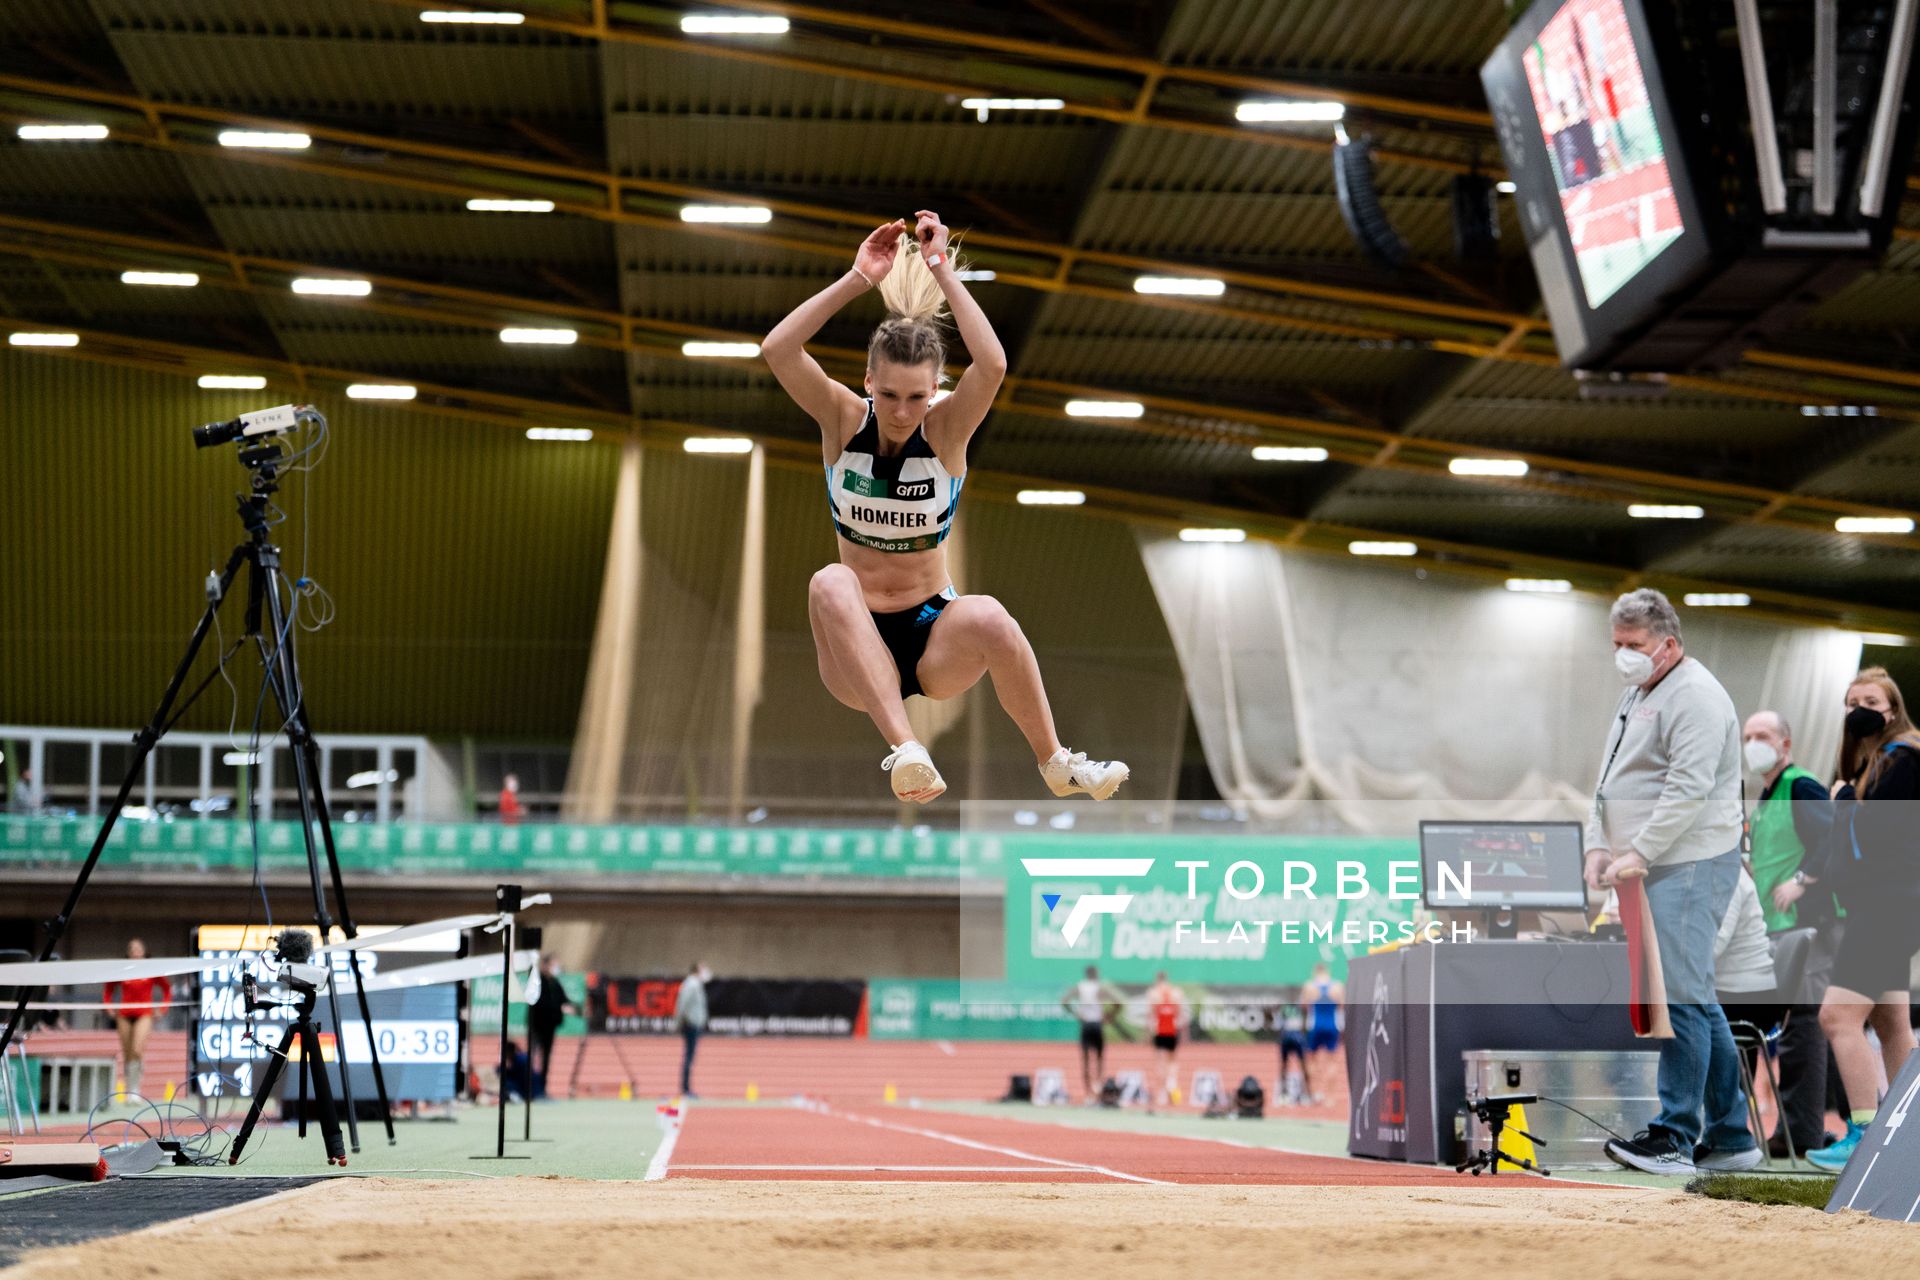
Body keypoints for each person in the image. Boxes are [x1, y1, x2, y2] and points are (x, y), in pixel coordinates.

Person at [763, 212, 1128, 806]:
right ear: (867, 382)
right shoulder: (841, 419)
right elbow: (778, 348)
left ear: (935, 391)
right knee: (830, 580)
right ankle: (906, 750)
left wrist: (942, 269)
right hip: (856, 648)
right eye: (887, 395)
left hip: (934, 637)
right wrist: (859, 276)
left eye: (916, 396)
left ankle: (1056, 762)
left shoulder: (947, 431)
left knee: (988, 614)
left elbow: (994, 366)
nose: (901, 411)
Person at [1584, 588, 1755, 1176]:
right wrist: (1598, 843)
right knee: (1695, 997)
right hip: (1646, 863)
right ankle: (1732, 1136)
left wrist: (1639, 851)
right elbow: (1607, 777)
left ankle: (1675, 1135)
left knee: (1678, 995)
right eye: (1618, 645)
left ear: (1669, 644)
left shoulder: (1698, 696)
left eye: (1634, 645)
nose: (1624, 655)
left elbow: (1691, 787)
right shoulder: (1639, 691)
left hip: (1692, 861)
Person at [1796, 669, 1920, 1171]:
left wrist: (1843, 798)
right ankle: (1908, 1137)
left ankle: (1866, 1134)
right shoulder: (1878, 761)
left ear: (1892, 710)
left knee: (1837, 1016)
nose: (1859, 708)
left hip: (1888, 905)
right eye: (1851, 701)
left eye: (1870, 700)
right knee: (1890, 1021)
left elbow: (1882, 830)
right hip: (1888, 903)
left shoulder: (1904, 758)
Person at [1740, 709, 1841, 1156]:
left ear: (1786, 744)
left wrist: (1801, 879)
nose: (1753, 742)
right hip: (1778, 928)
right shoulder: (1767, 797)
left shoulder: (1801, 786)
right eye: (1747, 736)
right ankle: (1796, 1129)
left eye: (1763, 735)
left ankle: (1801, 1134)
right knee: (1791, 1028)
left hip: (1811, 927)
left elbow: (1833, 838)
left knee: (1805, 1026)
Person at [102, 938, 170, 1102]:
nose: (135, 952)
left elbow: (167, 989)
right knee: (127, 1053)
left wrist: (162, 1009)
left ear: (144, 952)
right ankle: (128, 1089)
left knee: (137, 1050)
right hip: (124, 1014)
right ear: (128, 953)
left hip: (144, 1013)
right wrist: (109, 1007)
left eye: (138, 949)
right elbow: (108, 989)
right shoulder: (123, 970)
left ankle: (135, 1089)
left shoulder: (151, 970)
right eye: (132, 949)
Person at [1061, 964, 1118, 1102]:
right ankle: (1097, 1090)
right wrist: (1109, 1016)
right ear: (1096, 974)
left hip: (1086, 1024)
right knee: (1099, 1059)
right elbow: (1118, 1003)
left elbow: (1064, 1001)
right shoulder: (1100, 988)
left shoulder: (1080, 987)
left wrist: (1076, 1014)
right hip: (1097, 1024)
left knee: (1086, 1060)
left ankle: (1088, 1094)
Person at [526, 955, 577, 1100]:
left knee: (546, 1059)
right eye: (553, 965)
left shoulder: (554, 982)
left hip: (550, 1026)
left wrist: (570, 1006)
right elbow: (539, 1003)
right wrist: (559, 1008)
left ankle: (541, 1088)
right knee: (532, 1057)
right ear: (545, 965)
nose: (555, 969)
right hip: (537, 1025)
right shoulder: (537, 981)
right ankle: (529, 1088)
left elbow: (564, 999)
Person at [1144, 971, 1185, 1114]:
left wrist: (1148, 1033)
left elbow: (1150, 1015)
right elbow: (1180, 1014)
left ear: (1157, 980)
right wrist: (1183, 1031)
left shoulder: (1154, 993)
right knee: (1172, 1060)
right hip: (1172, 1030)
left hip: (1160, 1030)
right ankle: (1171, 1082)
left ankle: (1161, 1093)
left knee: (1160, 1062)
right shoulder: (1176, 992)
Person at [1304, 963, 1344, 1103]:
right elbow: (1341, 1006)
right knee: (1332, 1061)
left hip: (1315, 1025)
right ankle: (1329, 1097)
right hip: (1332, 1025)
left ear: (1315, 972)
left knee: (1311, 1060)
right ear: (1327, 971)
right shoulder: (1337, 986)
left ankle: (1315, 1093)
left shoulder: (1310, 986)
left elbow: (1305, 1006)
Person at [673, 961, 710, 1099]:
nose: (705, 971)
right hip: (691, 1025)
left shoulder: (696, 984)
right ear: (696, 970)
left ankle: (686, 1088)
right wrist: (679, 1022)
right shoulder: (691, 984)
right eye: (703, 969)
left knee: (690, 1056)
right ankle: (685, 1089)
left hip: (694, 1024)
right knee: (689, 1056)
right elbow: (682, 1003)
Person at [1273, 999, 1309, 1105]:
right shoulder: (1283, 1005)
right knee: (1285, 1066)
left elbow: (1305, 1018)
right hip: (1290, 1036)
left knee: (1302, 1065)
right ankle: (1284, 1093)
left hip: (1295, 1036)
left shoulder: (1300, 1005)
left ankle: (1306, 1093)